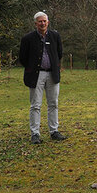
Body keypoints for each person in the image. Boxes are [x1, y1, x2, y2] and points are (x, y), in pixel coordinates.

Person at [19, 12, 67, 144]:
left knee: (53, 103)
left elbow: (59, 53)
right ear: (35, 23)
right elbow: (22, 58)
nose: (42, 23)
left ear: (48, 22)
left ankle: (54, 131)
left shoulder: (55, 36)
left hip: (52, 74)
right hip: (36, 75)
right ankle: (35, 134)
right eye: (40, 21)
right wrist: (31, 68)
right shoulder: (27, 38)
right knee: (35, 105)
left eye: (44, 21)